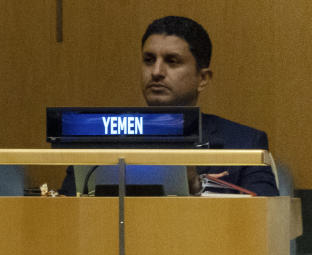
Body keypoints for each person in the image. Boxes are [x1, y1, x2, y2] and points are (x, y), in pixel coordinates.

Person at [60, 15, 278, 197]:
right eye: (148, 59)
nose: (156, 72)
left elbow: (265, 220)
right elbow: (66, 216)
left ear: (202, 78)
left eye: (172, 61)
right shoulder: (100, 139)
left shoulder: (244, 144)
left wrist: (199, 188)